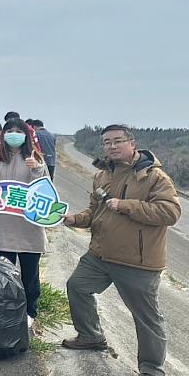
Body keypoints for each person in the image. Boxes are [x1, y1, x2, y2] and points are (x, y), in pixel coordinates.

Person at [61, 125, 181, 376]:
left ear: (133, 144)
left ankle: (151, 369)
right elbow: (95, 212)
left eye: (117, 141)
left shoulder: (154, 177)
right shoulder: (102, 175)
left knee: (146, 318)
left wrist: (126, 205)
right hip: (100, 255)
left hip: (137, 261)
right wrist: (75, 219)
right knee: (77, 287)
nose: (112, 146)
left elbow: (171, 213)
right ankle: (91, 336)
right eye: (107, 142)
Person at [0, 117, 48, 328]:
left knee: (29, 274)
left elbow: (45, 190)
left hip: (28, 224)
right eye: (10, 130)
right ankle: (4, 309)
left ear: (26, 135)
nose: (14, 134)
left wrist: (36, 169)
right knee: (2, 272)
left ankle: (30, 311)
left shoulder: (35, 156)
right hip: (2, 223)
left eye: (19, 130)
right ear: (3, 134)